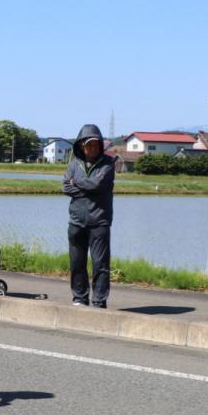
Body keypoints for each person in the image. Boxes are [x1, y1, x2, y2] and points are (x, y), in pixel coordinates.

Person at [62, 124, 115, 308]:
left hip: (99, 222)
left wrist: (76, 182)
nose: (91, 148)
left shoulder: (108, 163)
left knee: (100, 264)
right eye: (88, 144)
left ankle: (99, 301)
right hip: (76, 221)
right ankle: (79, 298)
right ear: (81, 146)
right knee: (77, 263)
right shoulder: (73, 163)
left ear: (100, 145)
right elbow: (65, 187)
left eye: (95, 144)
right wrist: (87, 187)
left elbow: (97, 185)